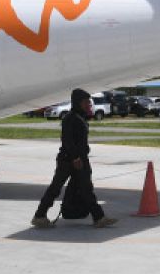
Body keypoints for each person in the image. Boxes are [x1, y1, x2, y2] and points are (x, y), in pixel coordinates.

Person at [31, 89, 118, 229]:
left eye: (89, 102)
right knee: (55, 188)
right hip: (69, 160)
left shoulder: (80, 117)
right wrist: (75, 157)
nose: (89, 104)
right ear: (78, 102)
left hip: (80, 159)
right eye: (85, 102)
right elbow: (67, 140)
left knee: (86, 188)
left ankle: (99, 217)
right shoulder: (70, 119)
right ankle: (39, 216)